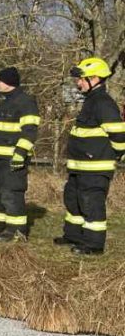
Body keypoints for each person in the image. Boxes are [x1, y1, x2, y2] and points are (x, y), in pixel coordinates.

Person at [55, 57, 125, 255]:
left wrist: (117, 155)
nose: (78, 83)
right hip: (80, 166)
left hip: (95, 168)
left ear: (94, 78)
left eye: (81, 79)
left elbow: (119, 134)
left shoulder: (103, 103)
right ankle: (73, 236)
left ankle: (93, 245)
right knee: (73, 199)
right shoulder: (91, 101)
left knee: (91, 204)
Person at [0, 67, 40, 243]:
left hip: (13, 159)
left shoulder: (26, 102)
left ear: (9, 82)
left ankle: (16, 231)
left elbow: (30, 132)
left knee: (11, 194)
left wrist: (20, 153)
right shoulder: (2, 103)